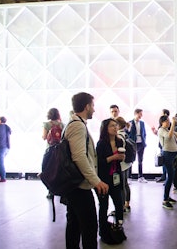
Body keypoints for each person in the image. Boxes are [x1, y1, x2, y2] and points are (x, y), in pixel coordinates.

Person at [65, 92, 109, 249]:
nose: (94, 110)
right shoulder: (77, 126)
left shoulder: (74, 123)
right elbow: (79, 157)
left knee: (74, 224)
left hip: (75, 185)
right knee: (89, 227)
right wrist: (96, 181)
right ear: (86, 106)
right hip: (80, 186)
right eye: (93, 106)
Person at [96, 118, 126, 244]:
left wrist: (121, 158)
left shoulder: (119, 141)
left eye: (116, 125)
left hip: (116, 177)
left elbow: (122, 158)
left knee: (119, 203)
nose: (115, 128)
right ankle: (103, 231)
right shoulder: (101, 143)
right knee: (104, 206)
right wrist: (113, 157)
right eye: (112, 126)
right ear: (105, 129)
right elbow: (99, 162)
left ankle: (118, 226)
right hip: (104, 179)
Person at [42, 108, 65, 198]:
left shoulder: (47, 124)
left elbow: (44, 137)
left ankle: (50, 191)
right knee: (59, 170)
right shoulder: (62, 124)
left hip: (50, 150)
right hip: (60, 150)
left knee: (49, 170)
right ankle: (61, 189)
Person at [157, 115, 177, 209]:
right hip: (167, 154)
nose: (168, 122)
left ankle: (167, 197)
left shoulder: (167, 130)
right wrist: (173, 124)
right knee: (170, 177)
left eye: (169, 121)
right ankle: (165, 199)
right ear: (162, 122)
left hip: (173, 154)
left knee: (171, 176)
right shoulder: (161, 130)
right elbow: (169, 137)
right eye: (167, 121)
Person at [115, 116, 132, 213]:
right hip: (126, 163)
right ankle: (127, 203)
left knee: (121, 186)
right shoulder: (125, 134)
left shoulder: (119, 137)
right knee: (125, 185)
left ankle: (121, 207)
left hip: (121, 164)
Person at [128, 108, 147, 183]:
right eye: (140, 114)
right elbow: (127, 133)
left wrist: (144, 141)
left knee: (140, 160)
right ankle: (129, 177)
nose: (141, 115)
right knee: (131, 160)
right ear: (136, 114)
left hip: (141, 143)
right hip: (133, 143)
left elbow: (144, 133)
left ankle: (140, 177)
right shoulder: (130, 122)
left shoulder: (142, 123)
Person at [153, 109, 170, 182]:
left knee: (166, 163)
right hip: (162, 145)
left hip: (167, 147)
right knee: (163, 162)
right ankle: (164, 177)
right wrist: (155, 132)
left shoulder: (169, 124)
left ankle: (167, 178)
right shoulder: (161, 126)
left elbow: (168, 135)